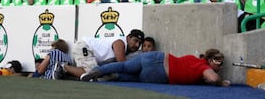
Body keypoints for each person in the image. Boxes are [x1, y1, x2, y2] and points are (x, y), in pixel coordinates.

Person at [81, 48, 231, 87]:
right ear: (212, 61)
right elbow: (213, 78)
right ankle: (114, 77)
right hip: (159, 73)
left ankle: (98, 71)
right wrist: (221, 83)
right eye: (220, 63)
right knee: (137, 79)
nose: (220, 67)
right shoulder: (204, 68)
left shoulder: (194, 59)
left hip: (157, 57)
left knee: (124, 65)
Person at [53, 29, 145, 79]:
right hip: (85, 47)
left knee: (95, 74)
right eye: (135, 41)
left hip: (88, 51)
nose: (137, 45)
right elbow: (123, 63)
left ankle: (66, 71)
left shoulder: (126, 48)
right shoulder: (120, 42)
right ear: (128, 38)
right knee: (91, 73)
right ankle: (63, 67)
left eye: (140, 43)